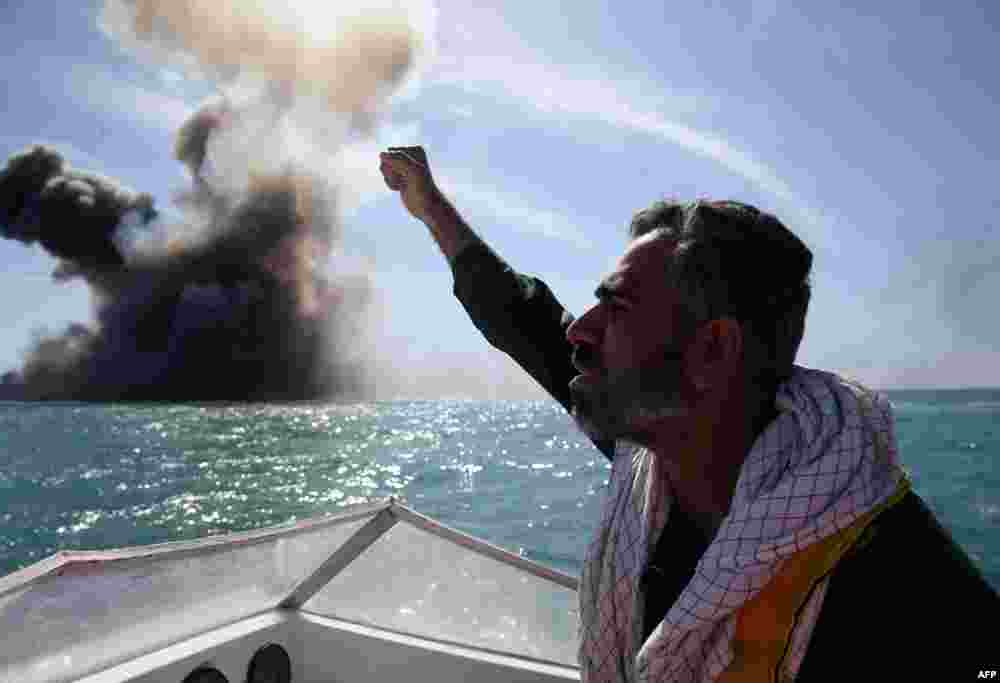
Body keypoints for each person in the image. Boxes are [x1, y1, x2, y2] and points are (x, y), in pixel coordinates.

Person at [379, 146, 999, 681]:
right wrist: (430, 206)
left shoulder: (903, 589)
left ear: (712, 352)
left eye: (615, 307)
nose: (580, 332)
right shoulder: (665, 452)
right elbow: (525, 320)